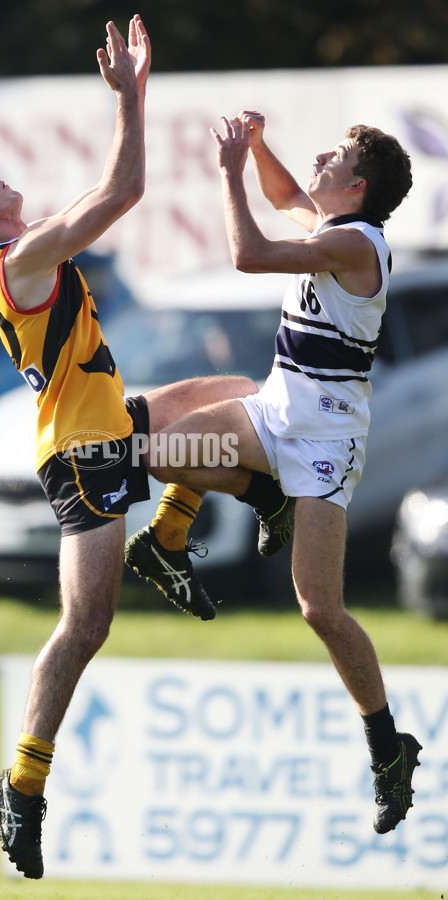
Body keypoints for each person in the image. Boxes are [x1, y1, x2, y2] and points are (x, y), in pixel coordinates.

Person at [0, 19, 287, 879]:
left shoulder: (24, 249)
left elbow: (106, 196)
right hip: (85, 452)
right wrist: (131, 98)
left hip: (111, 423)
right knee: (86, 626)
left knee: (242, 398)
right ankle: (22, 784)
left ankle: (177, 534)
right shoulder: (16, 259)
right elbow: (121, 193)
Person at [125, 110, 422, 835]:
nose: (321, 156)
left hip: (325, 435)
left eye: (337, 154)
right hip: (277, 408)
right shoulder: (334, 222)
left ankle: (389, 748)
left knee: (319, 609)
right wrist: (259, 149)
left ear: (357, 185)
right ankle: (257, 500)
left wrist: (228, 171)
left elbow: (249, 256)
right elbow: (288, 194)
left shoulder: (355, 241)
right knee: (163, 453)